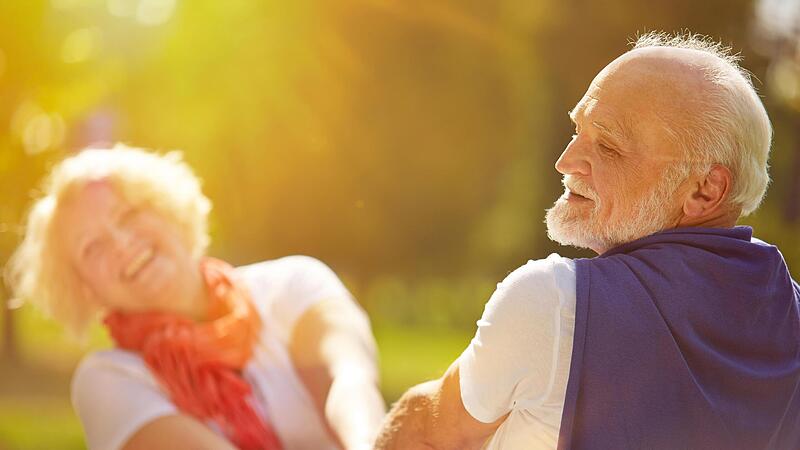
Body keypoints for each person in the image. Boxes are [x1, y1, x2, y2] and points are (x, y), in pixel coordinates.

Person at [374, 31, 800, 450]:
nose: (566, 162)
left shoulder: (557, 301)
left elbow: (426, 432)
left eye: (609, 146)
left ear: (706, 190)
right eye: (577, 130)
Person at [6, 145, 386, 450]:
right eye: (93, 247)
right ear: (84, 288)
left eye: (128, 214)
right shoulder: (107, 380)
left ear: (168, 209)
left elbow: (348, 379)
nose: (121, 244)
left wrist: (366, 445)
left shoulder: (293, 283)